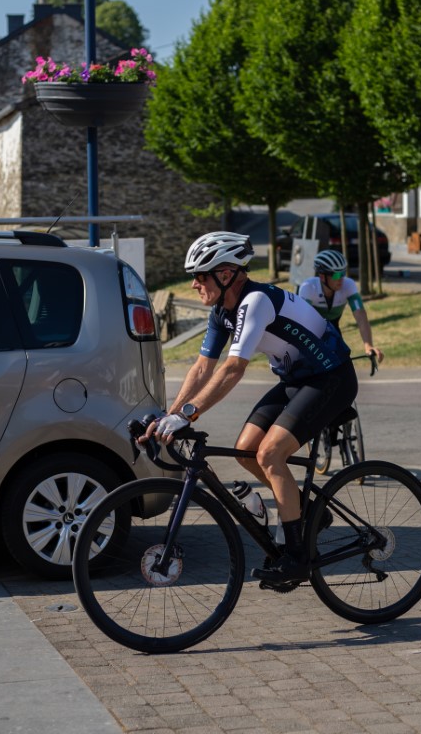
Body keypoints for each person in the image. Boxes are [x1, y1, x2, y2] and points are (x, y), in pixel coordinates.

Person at [145, 231, 358, 586]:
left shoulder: (256, 301)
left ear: (226, 274)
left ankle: (296, 556)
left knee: (270, 454)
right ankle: (308, 513)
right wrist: (172, 415)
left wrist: (188, 415)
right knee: (246, 451)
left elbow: (233, 368)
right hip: (297, 380)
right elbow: (202, 368)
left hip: (331, 377)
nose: (195, 285)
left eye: (200, 276)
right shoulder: (221, 312)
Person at [296, 249, 384, 364]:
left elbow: (361, 316)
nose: (341, 278)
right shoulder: (308, 287)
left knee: (343, 364)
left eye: (343, 273)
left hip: (334, 331)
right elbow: (301, 321)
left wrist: (368, 346)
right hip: (312, 331)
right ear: (322, 277)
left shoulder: (348, 285)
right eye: (337, 274)